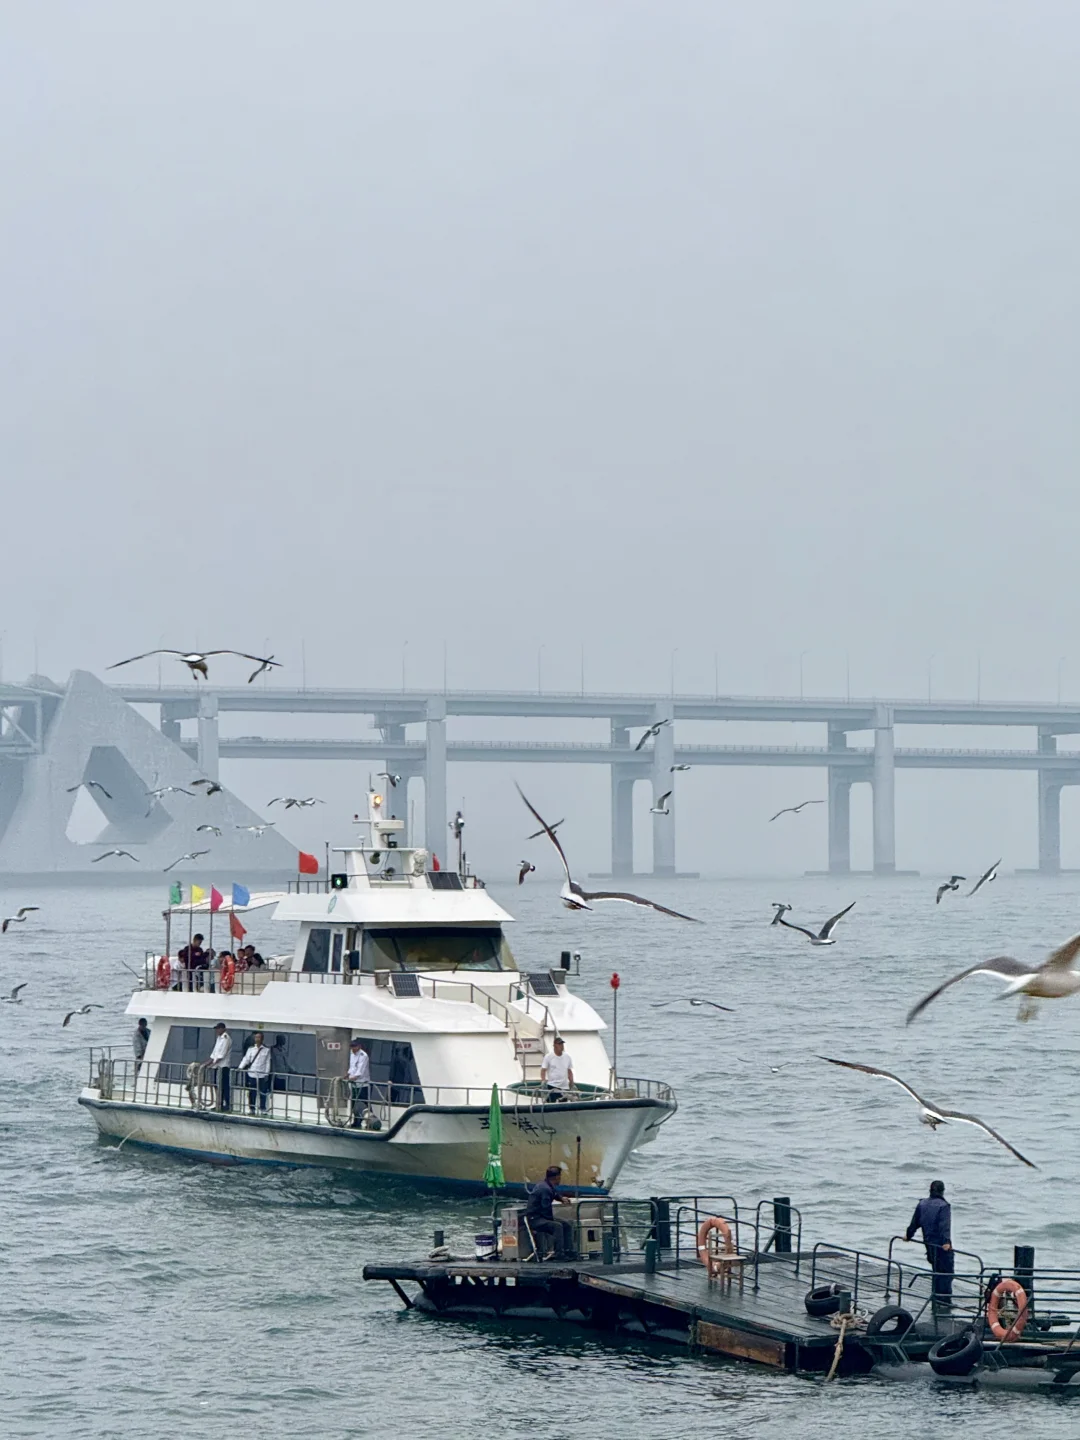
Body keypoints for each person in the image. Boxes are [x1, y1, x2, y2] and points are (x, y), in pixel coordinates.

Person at [905, 1179, 953, 1308]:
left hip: (928, 1243)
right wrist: (946, 1241)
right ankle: (944, 1302)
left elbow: (914, 1223)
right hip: (940, 1245)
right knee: (947, 1272)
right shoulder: (943, 1206)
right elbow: (944, 1226)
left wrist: (908, 1235)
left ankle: (936, 1298)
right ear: (942, 1191)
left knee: (936, 1269)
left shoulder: (922, 1204)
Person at [525, 1165, 575, 1260]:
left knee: (567, 1225)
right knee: (557, 1226)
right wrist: (551, 1221)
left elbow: (554, 1193)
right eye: (560, 1176)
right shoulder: (544, 1189)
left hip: (541, 1217)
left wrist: (561, 1198)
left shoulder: (546, 1185)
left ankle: (569, 1251)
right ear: (556, 1177)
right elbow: (545, 1208)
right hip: (535, 1219)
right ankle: (559, 1254)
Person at [237, 1029, 272, 1114]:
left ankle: (262, 1108)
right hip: (252, 1073)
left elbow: (268, 1062)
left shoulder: (266, 1050)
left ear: (262, 1038)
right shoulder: (251, 1049)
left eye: (259, 1037)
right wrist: (240, 1067)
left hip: (261, 1074)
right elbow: (246, 1059)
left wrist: (266, 1073)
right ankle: (252, 1108)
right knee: (252, 1092)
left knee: (262, 1092)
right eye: (256, 1037)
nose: (257, 1039)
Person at [204, 1022, 233, 1111]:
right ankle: (219, 1103)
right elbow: (214, 1053)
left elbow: (221, 1055)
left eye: (218, 1028)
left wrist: (212, 1063)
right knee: (216, 1085)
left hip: (223, 1066)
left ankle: (227, 1105)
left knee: (224, 1086)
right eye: (216, 1029)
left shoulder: (226, 1039)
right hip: (217, 1066)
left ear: (223, 1029)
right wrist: (206, 1063)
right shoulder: (219, 1038)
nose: (217, 1030)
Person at [540, 1036, 574, 1102]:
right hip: (552, 1085)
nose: (561, 1046)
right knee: (551, 1103)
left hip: (564, 1086)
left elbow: (569, 1071)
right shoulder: (548, 1057)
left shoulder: (567, 1057)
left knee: (563, 1105)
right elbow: (543, 1070)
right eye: (559, 1044)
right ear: (555, 1045)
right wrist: (543, 1081)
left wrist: (572, 1083)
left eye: (562, 1044)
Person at [348, 1037, 370, 1126]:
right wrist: (346, 1076)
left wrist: (351, 1078)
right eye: (351, 1046)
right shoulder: (352, 1054)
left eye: (354, 1046)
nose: (352, 1048)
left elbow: (359, 1072)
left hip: (362, 1084)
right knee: (354, 1104)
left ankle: (371, 1121)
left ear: (359, 1046)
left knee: (364, 1104)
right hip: (354, 1085)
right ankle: (356, 1122)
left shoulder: (363, 1056)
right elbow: (352, 1068)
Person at [133, 1018, 150, 1082]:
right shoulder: (136, 1035)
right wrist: (141, 1056)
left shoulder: (148, 1031)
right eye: (143, 1025)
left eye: (145, 1025)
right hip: (140, 1058)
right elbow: (137, 1049)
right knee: (140, 1073)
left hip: (148, 1055)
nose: (144, 1027)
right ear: (139, 1025)